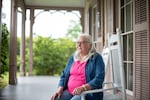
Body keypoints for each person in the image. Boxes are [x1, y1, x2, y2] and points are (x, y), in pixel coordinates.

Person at [50, 33, 105, 100]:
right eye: (77, 42)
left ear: (90, 45)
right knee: (56, 98)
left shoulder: (96, 58)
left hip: (88, 93)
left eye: (82, 42)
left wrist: (83, 88)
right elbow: (64, 74)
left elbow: (99, 78)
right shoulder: (73, 57)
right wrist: (60, 88)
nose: (79, 45)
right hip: (69, 91)